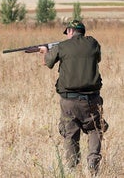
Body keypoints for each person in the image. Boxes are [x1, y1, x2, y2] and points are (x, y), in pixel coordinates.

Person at [39, 20, 108, 176]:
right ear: (82, 31)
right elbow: (97, 58)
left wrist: (45, 51)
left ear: (70, 31)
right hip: (92, 100)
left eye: (67, 32)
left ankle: (72, 168)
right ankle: (93, 164)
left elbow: (48, 63)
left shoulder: (62, 46)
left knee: (70, 134)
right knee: (95, 130)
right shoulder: (93, 43)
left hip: (69, 101)